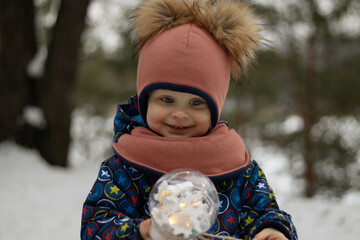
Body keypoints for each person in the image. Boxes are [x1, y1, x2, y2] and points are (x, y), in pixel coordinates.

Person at [81, 0, 298, 239]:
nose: (180, 114)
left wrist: (271, 230)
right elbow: (97, 224)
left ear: (214, 110)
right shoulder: (124, 169)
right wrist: (141, 232)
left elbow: (264, 211)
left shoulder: (239, 169)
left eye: (196, 103)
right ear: (145, 102)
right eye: (166, 100)